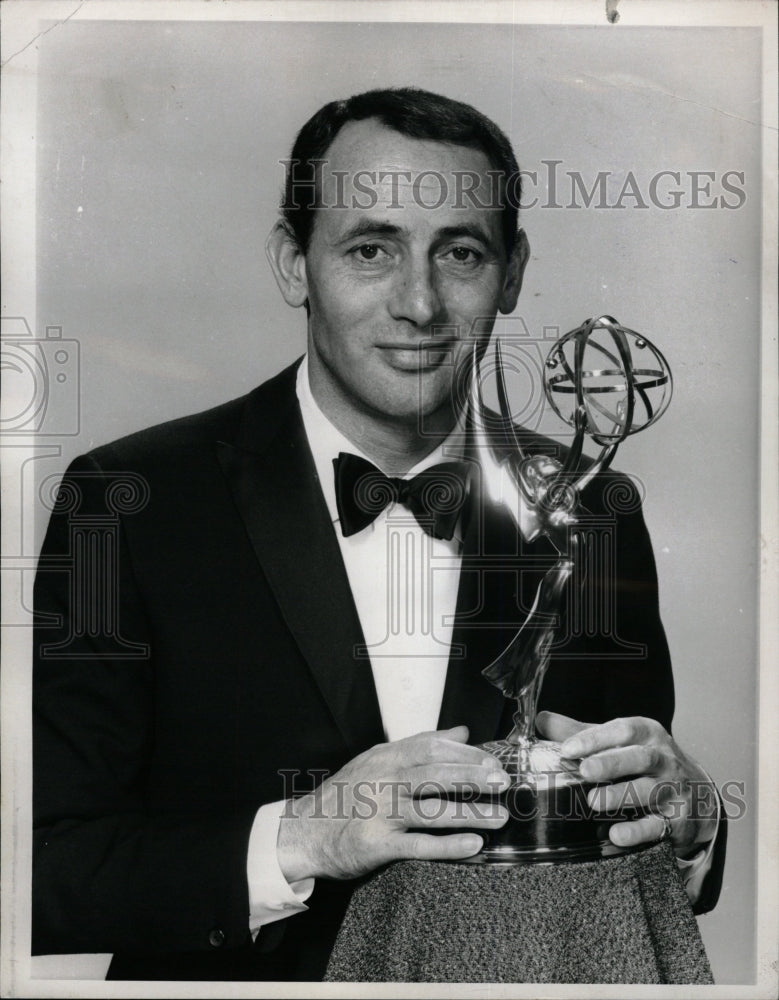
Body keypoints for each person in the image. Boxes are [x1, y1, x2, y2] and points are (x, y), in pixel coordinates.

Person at [32, 87, 726, 982]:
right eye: (370, 248)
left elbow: (616, 849)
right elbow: (41, 868)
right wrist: (303, 837)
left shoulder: (594, 512)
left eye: (461, 253)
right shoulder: (125, 502)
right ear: (294, 264)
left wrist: (690, 826)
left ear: (512, 272)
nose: (419, 305)